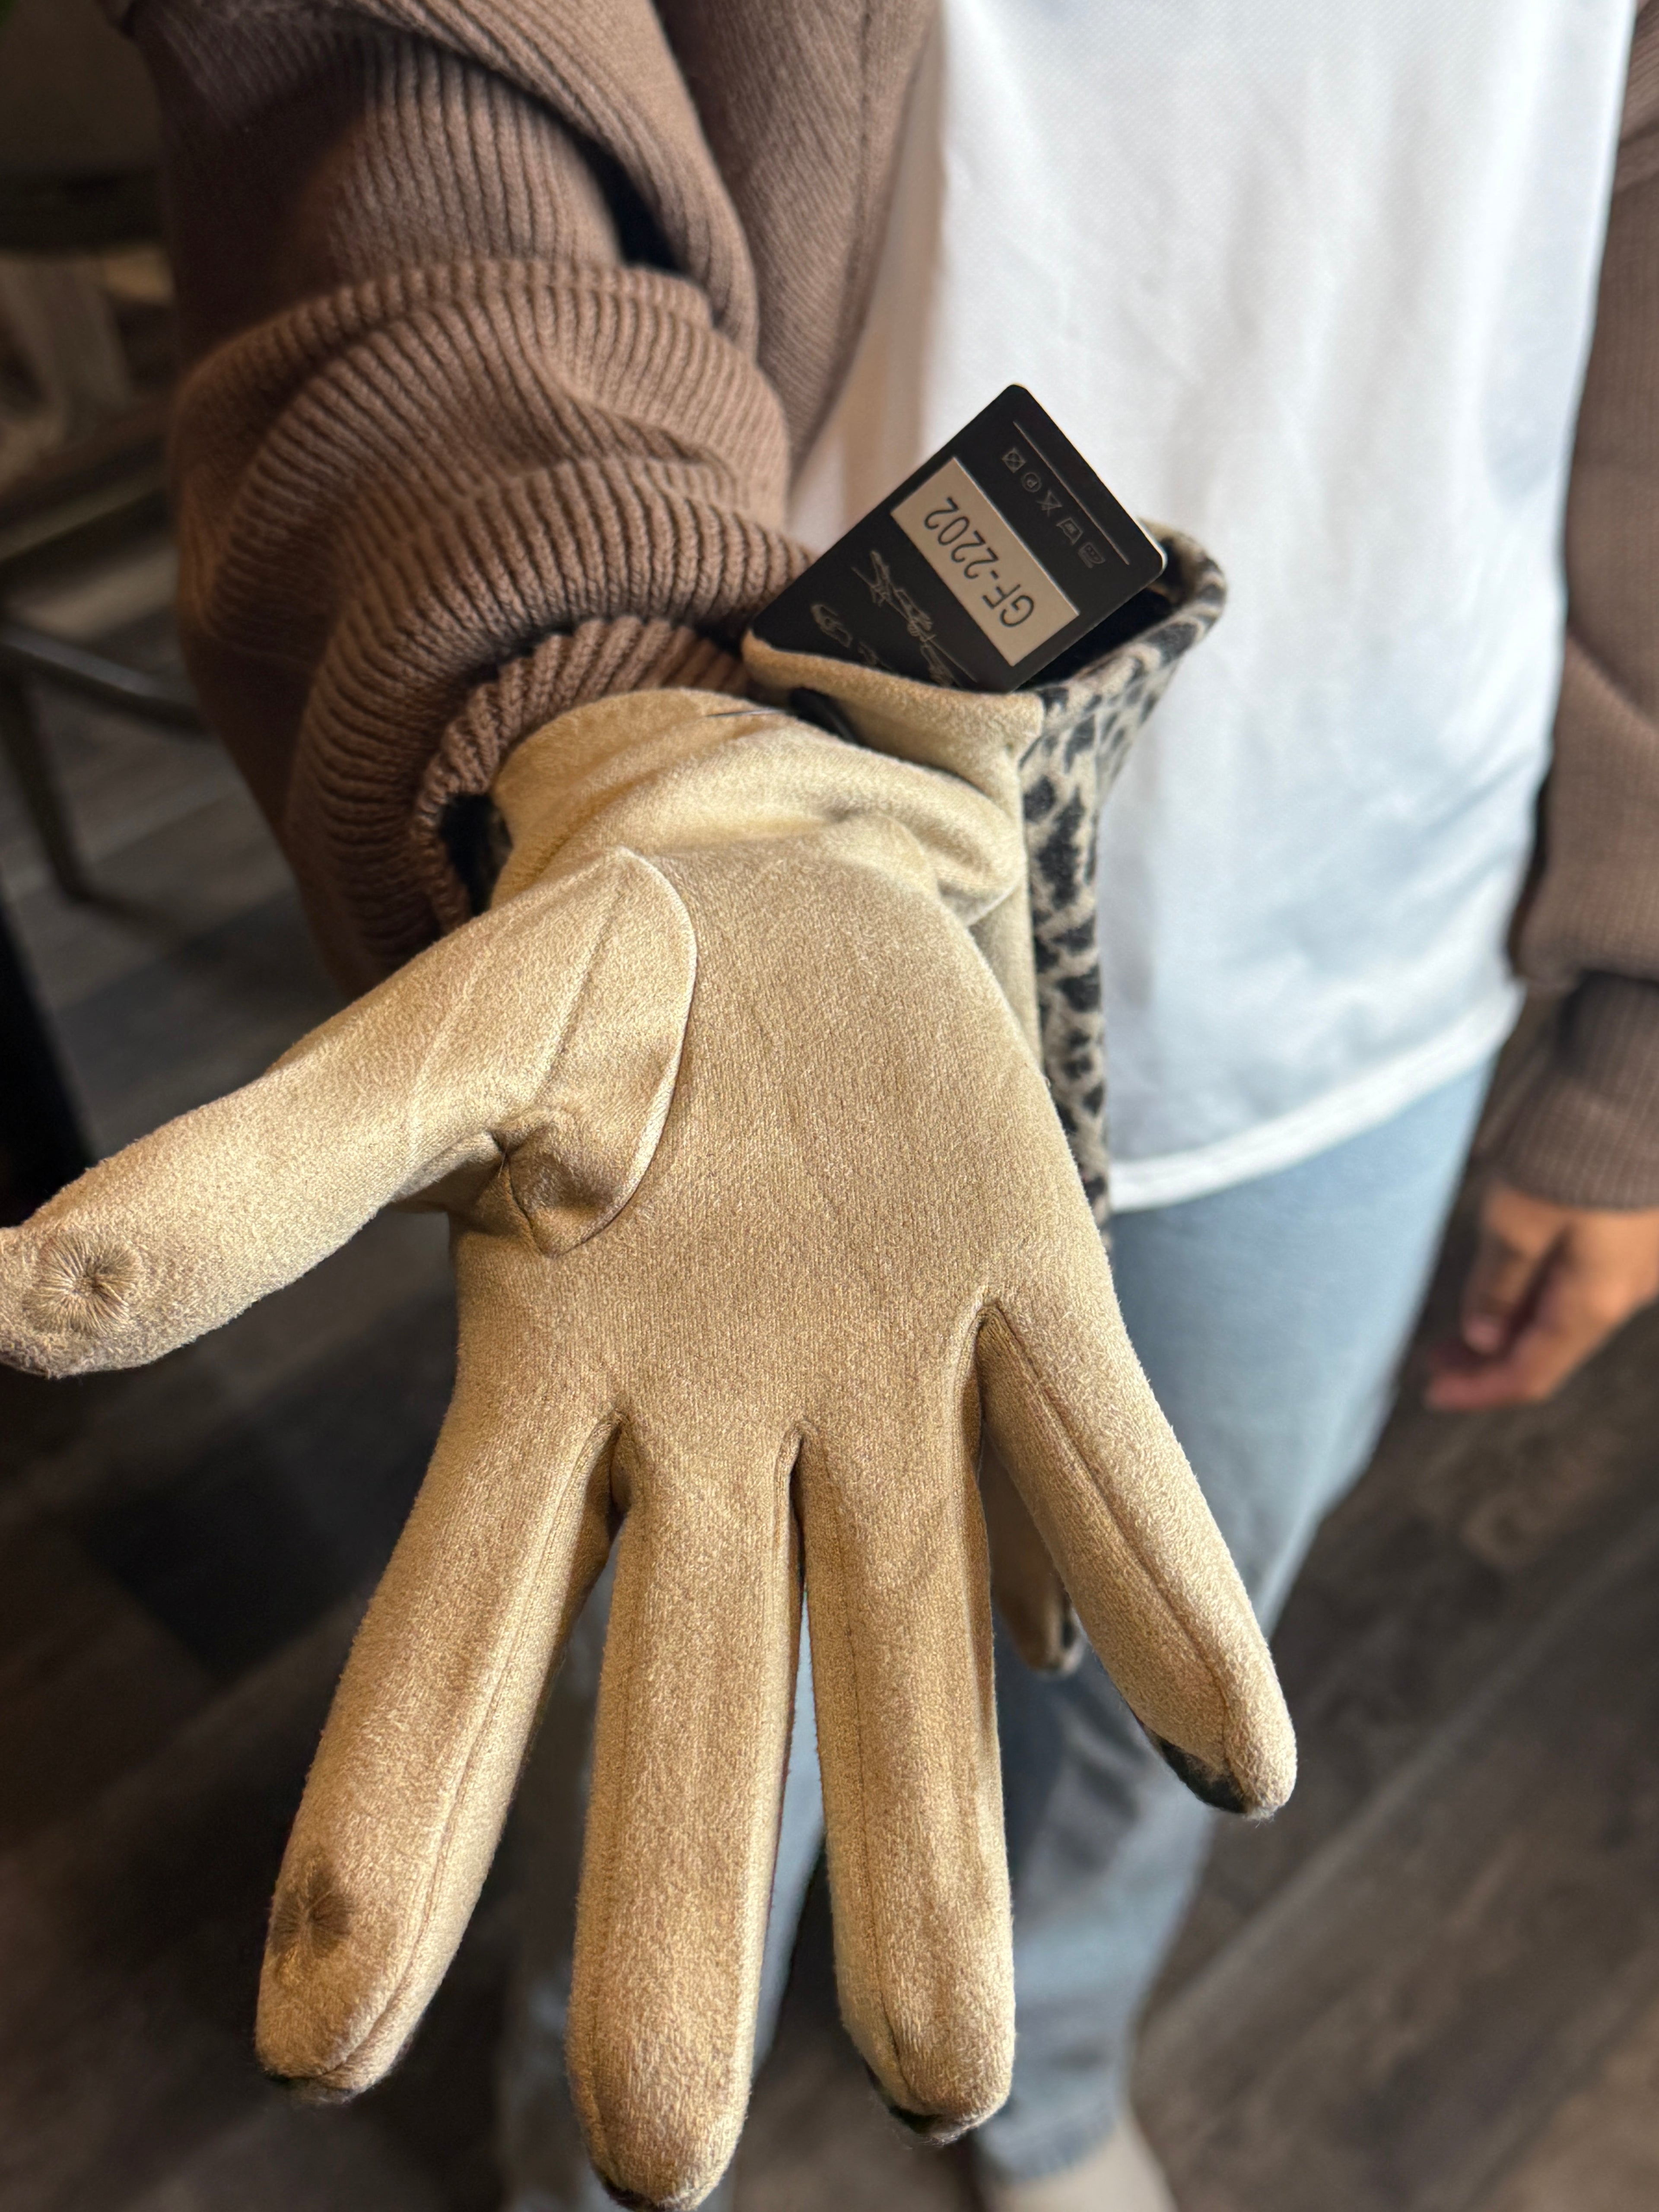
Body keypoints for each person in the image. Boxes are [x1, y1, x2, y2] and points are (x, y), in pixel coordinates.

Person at [90, 2, 1659, 2206]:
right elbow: (390, 60)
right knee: (678, 1729)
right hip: (757, 837)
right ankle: (589, 2151)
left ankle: (1061, 2067)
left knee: (1177, 1657)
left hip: (1379, 905)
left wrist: (1637, 1033)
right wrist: (623, 708)